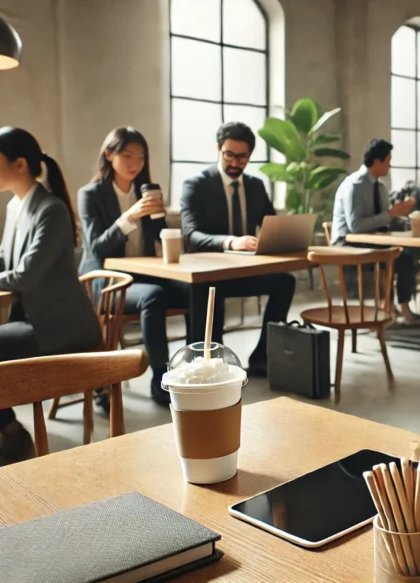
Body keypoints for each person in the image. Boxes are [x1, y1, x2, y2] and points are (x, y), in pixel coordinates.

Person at [0, 127, 102, 465]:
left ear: (19, 165)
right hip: (32, 320)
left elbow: (23, 277)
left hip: (60, 329)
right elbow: (3, 266)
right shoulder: (17, 206)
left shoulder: (51, 210)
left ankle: (4, 432)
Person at [78, 127, 189, 406]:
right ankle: (160, 379)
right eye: (127, 155)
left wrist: (160, 218)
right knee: (154, 296)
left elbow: (160, 239)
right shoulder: (90, 194)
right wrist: (130, 215)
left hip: (145, 274)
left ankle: (195, 368)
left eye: (140, 158)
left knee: (194, 290)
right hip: (107, 281)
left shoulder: (147, 191)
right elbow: (97, 248)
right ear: (109, 155)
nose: (134, 164)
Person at [179, 121, 296, 376]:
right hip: (209, 273)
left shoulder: (255, 186)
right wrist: (230, 242)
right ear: (219, 149)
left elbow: (270, 225)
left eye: (242, 157)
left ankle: (262, 356)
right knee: (208, 288)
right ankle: (208, 365)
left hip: (243, 272)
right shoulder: (196, 185)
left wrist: (284, 238)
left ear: (250, 156)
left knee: (285, 282)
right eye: (229, 154)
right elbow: (190, 236)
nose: (235, 162)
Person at [330, 138, 420, 326]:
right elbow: (355, 227)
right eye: (388, 160)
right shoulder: (354, 185)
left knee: (404, 256)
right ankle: (390, 307)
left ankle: (397, 307)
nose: (390, 165)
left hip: (373, 240)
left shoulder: (380, 187)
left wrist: (403, 214)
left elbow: (384, 220)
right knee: (395, 256)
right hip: (346, 243)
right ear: (377, 161)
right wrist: (391, 213)